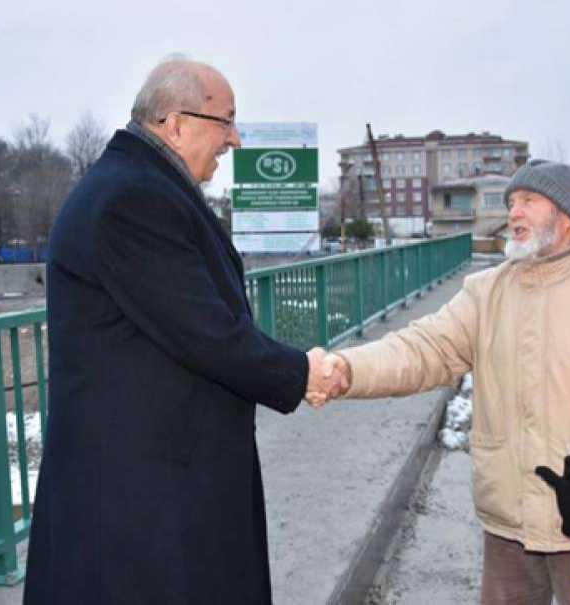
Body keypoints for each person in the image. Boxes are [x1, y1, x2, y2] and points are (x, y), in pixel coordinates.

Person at [308, 160, 570, 605]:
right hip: (509, 523)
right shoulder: (486, 293)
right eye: (511, 202)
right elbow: (424, 349)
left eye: (529, 201)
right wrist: (348, 369)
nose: (514, 212)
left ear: (567, 216)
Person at [24, 56, 343, 605]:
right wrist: (301, 374)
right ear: (176, 123)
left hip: (155, 479)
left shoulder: (138, 184)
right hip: (142, 496)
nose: (236, 139)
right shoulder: (133, 199)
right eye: (226, 122)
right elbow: (207, 333)